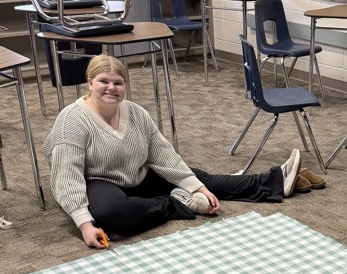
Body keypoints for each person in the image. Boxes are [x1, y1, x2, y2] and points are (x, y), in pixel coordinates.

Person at [44, 54, 317, 247]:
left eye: (118, 82)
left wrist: (196, 187)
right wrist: (84, 224)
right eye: (104, 81)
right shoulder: (72, 120)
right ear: (90, 82)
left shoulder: (136, 113)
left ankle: (276, 181)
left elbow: (162, 154)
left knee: (202, 179)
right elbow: (67, 176)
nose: (111, 88)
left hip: (137, 175)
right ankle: (175, 204)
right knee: (114, 215)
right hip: (98, 182)